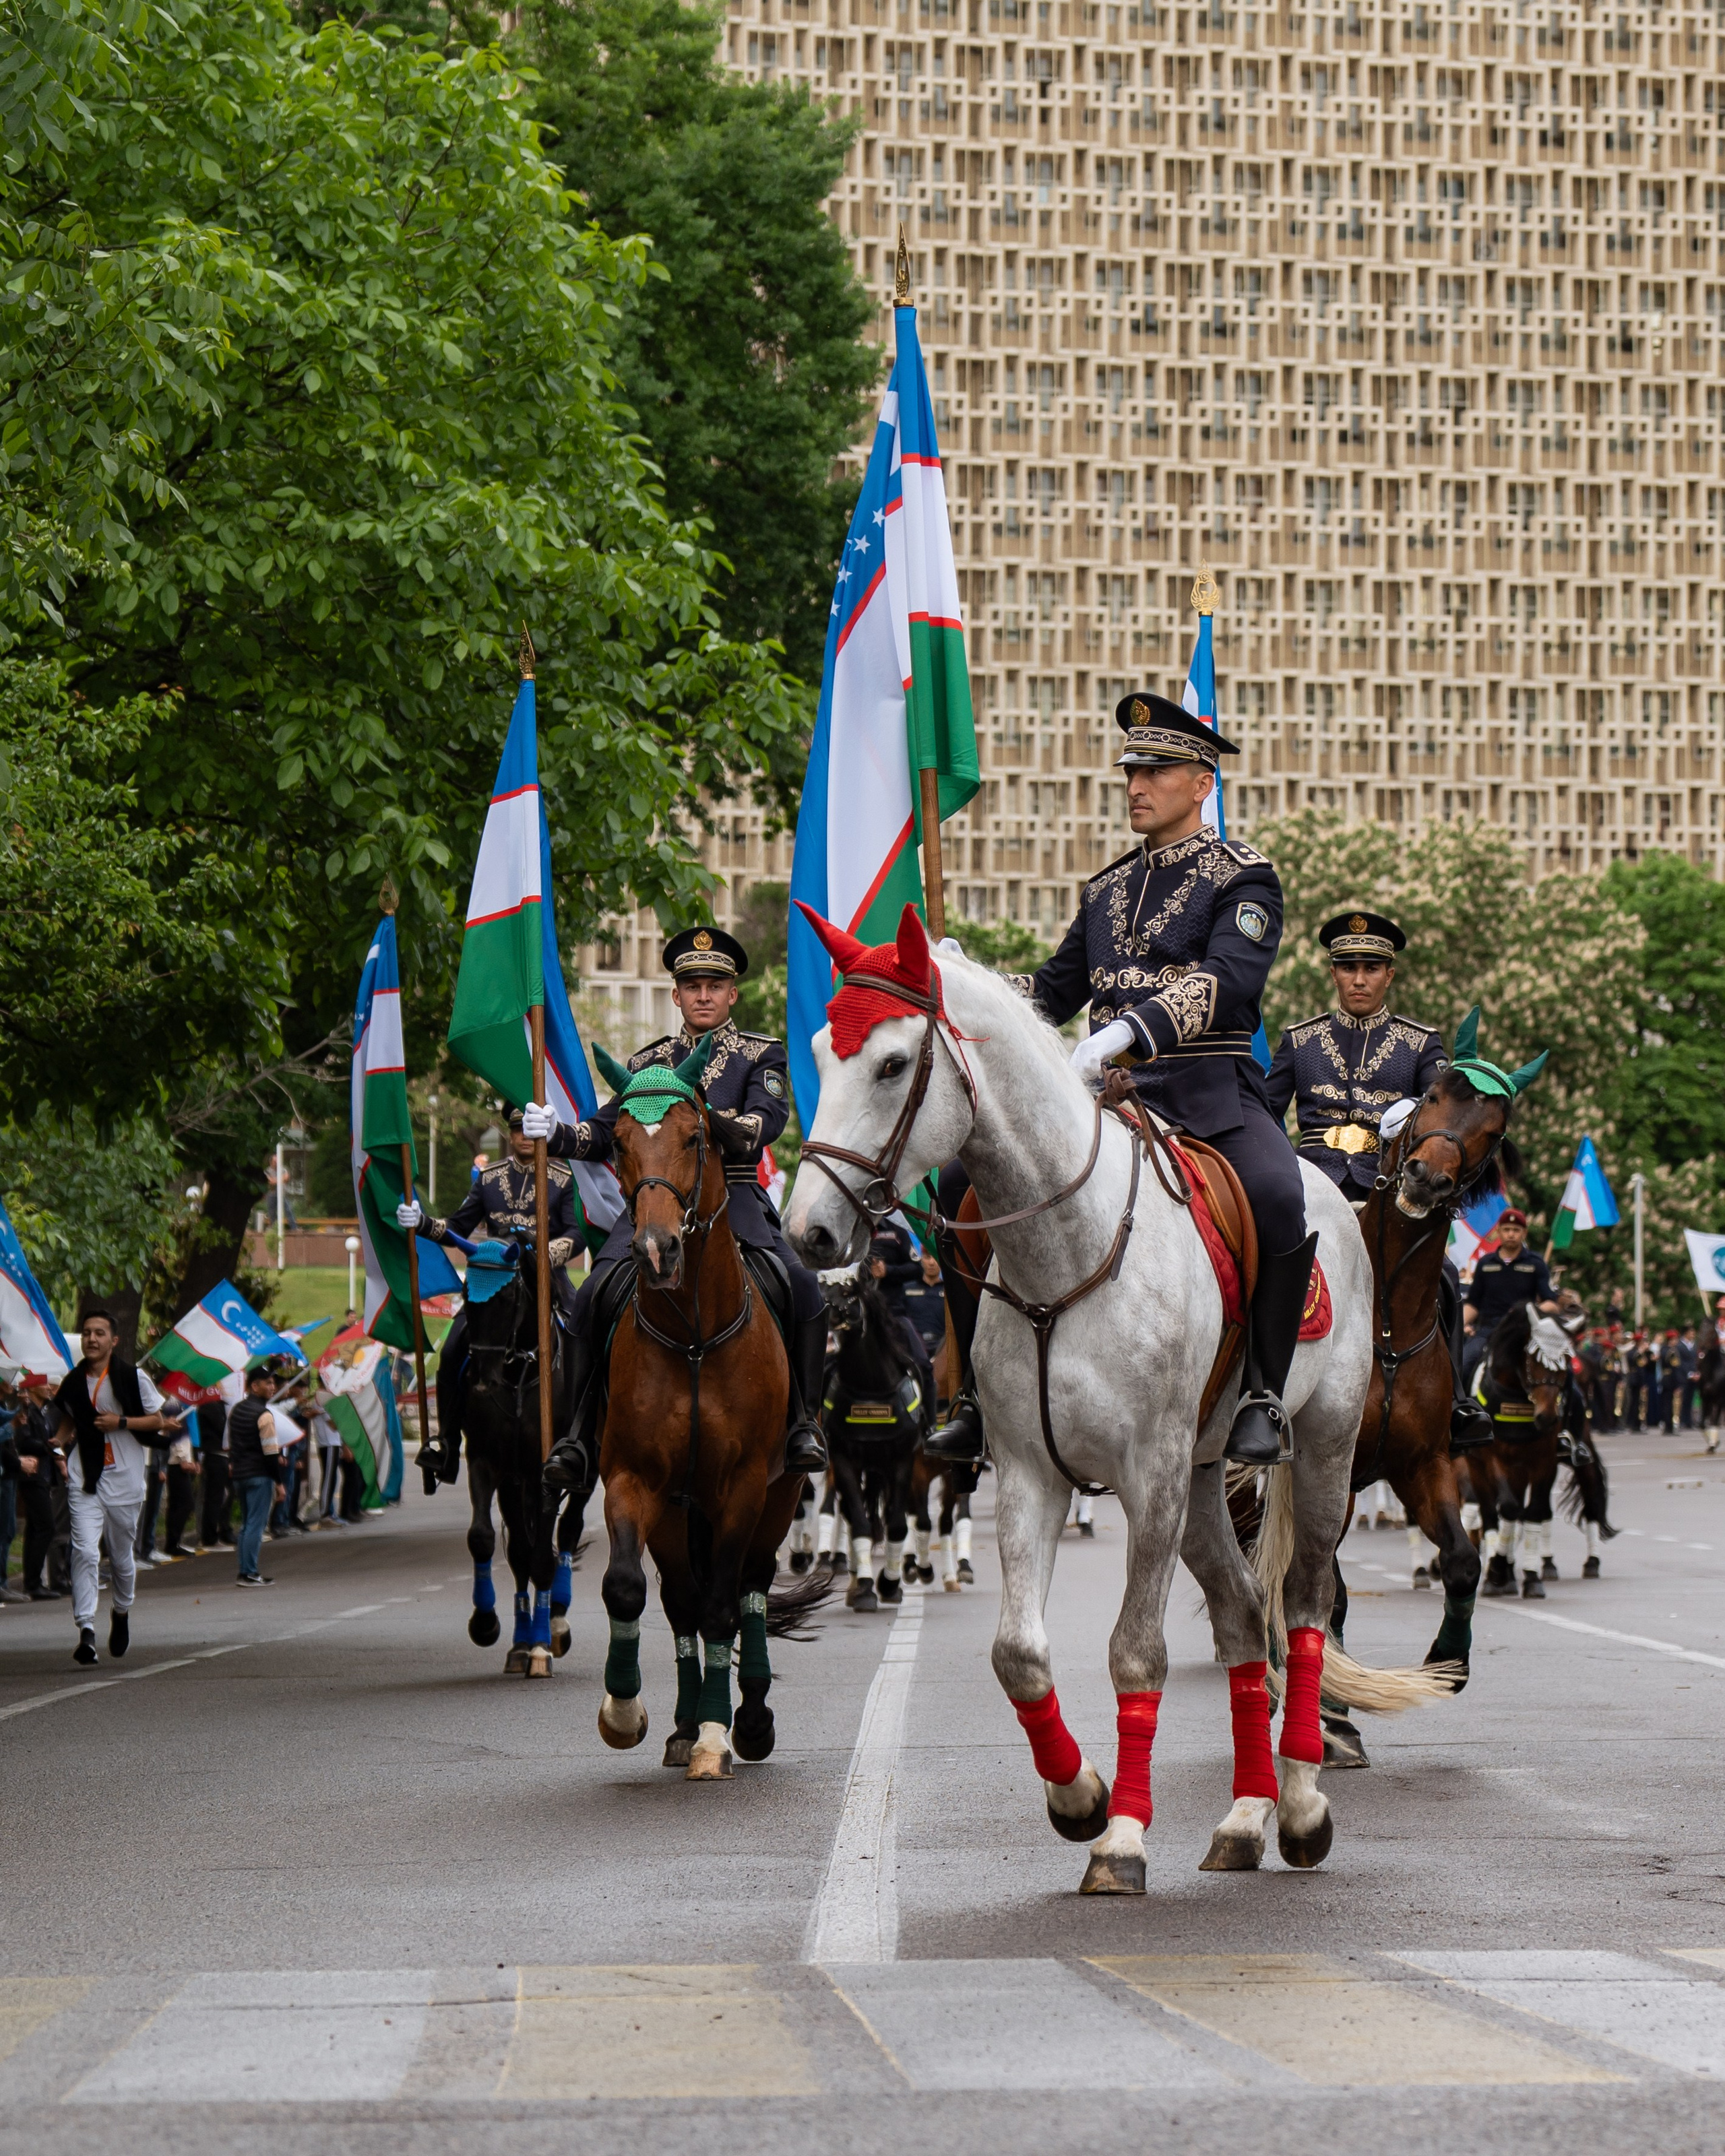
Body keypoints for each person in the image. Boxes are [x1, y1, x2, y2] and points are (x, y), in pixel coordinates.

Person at [931, 690, 1311, 1468]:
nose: (1136, 785)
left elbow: (1227, 978)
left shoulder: (1244, 878)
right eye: (1131, 770)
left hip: (1207, 1090)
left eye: (1156, 771)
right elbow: (1051, 990)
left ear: (1201, 782)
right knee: (957, 1185)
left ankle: (1262, 1395)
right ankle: (974, 1393)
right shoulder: (1104, 889)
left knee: (1278, 1196)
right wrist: (968, 985)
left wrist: (1128, 1032)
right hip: (1103, 1099)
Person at [528, 924, 830, 1491]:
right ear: (676, 995)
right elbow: (606, 1131)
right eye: (692, 986)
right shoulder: (650, 1063)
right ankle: (577, 1435)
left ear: (732, 993)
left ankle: (803, 1423)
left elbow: (764, 1123)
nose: (703, 995)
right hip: (656, 1203)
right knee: (590, 1297)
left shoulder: (759, 1052)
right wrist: (556, 1133)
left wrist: (700, 1120)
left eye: (714, 985)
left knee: (804, 1290)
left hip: (733, 1198)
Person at [1265, 908, 1490, 1450]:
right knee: (1261, 1271)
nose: (1359, 979)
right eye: (1348, 968)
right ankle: (1257, 1395)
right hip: (1311, 1194)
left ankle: (1456, 1402)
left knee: (1446, 1277)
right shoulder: (1300, 1041)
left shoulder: (1421, 1044)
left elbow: (1443, 1112)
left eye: (1371, 968)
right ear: (1333, 973)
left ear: (1390, 974)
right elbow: (1266, 1114)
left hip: (1386, 1198)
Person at [399, 1107, 585, 1484]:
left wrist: (542, 1255)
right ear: (509, 1134)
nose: (523, 1137)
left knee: (585, 1343)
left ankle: (581, 1441)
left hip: (547, 1279)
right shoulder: (489, 1179)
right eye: (517, 1130)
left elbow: (577, 1232)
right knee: (452, 1349)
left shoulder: (565, 1179)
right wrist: (422, 1223)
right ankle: (446, 1444)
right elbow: (458, 1226)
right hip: (490, 1283)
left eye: (529, 1130)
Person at [52, 1310, 177, 1664]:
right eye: (87, 1333)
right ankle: (86, 1631)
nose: (92, 1339)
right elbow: (70, 1417)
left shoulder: (132, 1377)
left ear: (114, 1340)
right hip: (86, 1476)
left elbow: (157, 1419)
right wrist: (57, 1442)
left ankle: (121, 1610)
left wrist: (120, 1422)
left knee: (122, 1558)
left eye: (99, 1333)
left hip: (124, 1478)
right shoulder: (74, 1380)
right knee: (85, 1551)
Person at [1461, 1211, 1558, 1388]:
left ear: (1524, 1233)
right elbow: (1473, 1303)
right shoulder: (1485, 1263)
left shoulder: (1536, 1263)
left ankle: (1568, 1404)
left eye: (1516, 1230)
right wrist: (1458, 1325)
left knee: (1561, 1372)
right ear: (1499, 1232)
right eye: (1506, 1230)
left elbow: (1551, 1303)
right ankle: (1460, 1404)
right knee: (1463, 1365)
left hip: (1524, 1332)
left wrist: (1528, 1311)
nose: (1511, 1234)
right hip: (1488, 1332)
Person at [227, 1365, 286, 1584]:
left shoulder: (237, 1410)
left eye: (273, 1383)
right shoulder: (264, 1415)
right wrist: (279, 1483)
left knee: (246, 1524)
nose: (273, 1387)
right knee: (256, 1525)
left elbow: (233, 1444)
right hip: (260, 1475)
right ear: (254, 1386)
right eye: (268, 1383)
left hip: (241, 1475)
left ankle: (244, 1571)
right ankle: (250, 1572)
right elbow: (271, 1453)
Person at [195, 1395, 232, 1550]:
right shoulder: (209, 1405)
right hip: (214, 1455)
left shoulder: (220, 1405)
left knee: (221, 1496)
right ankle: (209, 1538)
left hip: (222, 1456)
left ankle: (214, 1533)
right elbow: (222, 1427)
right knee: (214, 1498)